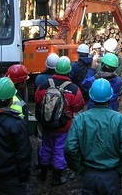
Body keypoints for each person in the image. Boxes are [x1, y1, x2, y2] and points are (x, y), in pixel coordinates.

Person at [65, 79, 122, 194]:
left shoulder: (80, 119)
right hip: (111, 175)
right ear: (110, 96)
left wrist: (79, 168)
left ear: (91, 97)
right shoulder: (119, 119)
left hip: (88, 174)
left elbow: (70, 148)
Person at [35, 56, 85, 186]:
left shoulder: (43, 85)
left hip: (46, 123)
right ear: (68, 71)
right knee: (59, 148)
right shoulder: (74, 89)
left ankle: (42, 173)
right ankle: (57, 177)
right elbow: (79, 105)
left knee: (46, 146)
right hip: (63, 126)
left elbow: (37, 100)